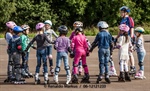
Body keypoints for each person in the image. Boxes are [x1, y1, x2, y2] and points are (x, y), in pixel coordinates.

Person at [115, 6, 136, 75]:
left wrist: (132, 38)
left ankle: (132, 67)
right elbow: (120, 30)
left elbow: (132, 28)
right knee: (123, 53)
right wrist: (117, 37)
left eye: (121, 12)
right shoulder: (122, 20)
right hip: (122, 37)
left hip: (128, 37)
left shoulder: (129, 19)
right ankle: (125, 68)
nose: (120, 13)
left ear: (125, 12)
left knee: (129, 53)